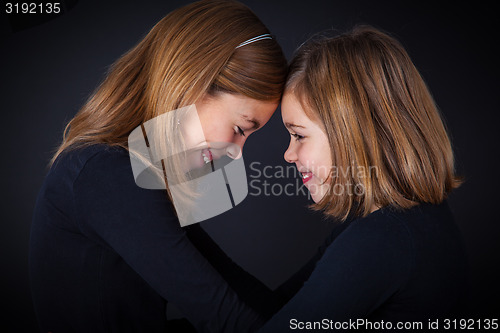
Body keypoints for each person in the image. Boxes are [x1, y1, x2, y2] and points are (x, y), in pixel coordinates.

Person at [29, 0, 287, 332]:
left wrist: (345, 254)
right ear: (191, 82)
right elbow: (225, 316)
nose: (237, 153)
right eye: (240, 129)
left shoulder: (133, 171)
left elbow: (238, 290)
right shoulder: (106, 174)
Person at [259, 26, 469, 331]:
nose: (288, 155)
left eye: (298, 135)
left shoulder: (383, 241)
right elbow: (274, 312)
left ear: (352, 133)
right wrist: (176, 233)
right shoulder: (399, 225)